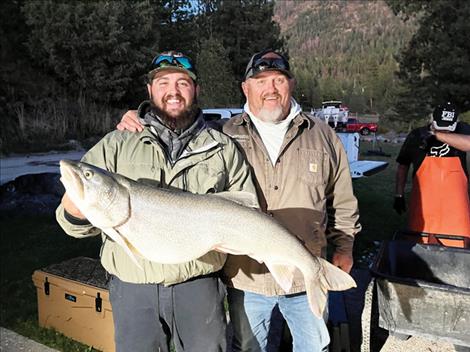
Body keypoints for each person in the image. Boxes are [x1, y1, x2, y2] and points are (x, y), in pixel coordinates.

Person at [118, 49, 361, 352]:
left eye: (278, 80)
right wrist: (138, 118)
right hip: (246, 278)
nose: (270, 89)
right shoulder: (223, 135)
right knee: (249, 348)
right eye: (260, 81)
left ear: (291, 84)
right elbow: (173, 136)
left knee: (314, 347)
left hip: (305, 270)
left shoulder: (323, 135)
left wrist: (345, 246)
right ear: (246, 88)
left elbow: (342, 199)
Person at [56, 51, 258, 352]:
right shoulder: (116, 144)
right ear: (150, 90)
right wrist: (76, 208)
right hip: (133, 288)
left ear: (196, 90)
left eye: (182, 83)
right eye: (163, 83)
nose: (173, 92)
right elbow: (70, 225)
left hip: (198, 285)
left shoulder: (222, 148)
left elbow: (248, 209)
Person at [394, 102, 470, 246]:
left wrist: (436, 135)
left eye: (448, 128)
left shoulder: (463, 130)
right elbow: (403, 165)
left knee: (459, 249)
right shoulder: (416, 135)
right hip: (423, 206)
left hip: (456, 210)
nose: (445, 131)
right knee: (421, 249)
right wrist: (399, 194)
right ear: (432, 119)